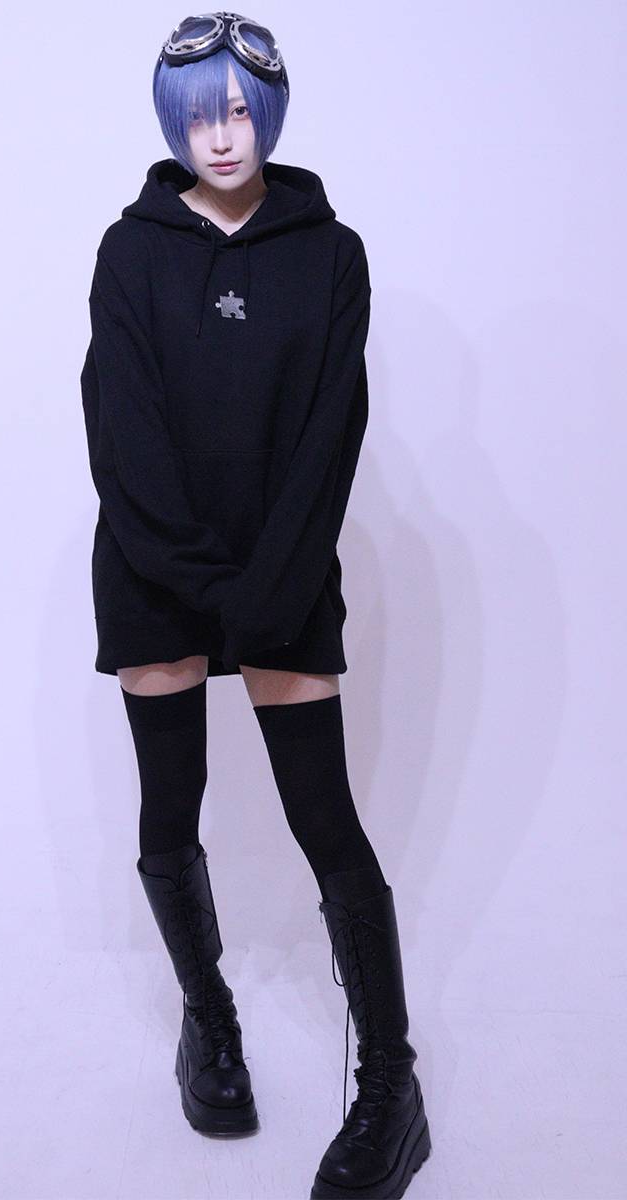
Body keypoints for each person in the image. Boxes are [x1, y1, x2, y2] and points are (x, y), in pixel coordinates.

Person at [79, 12, 431, 1198]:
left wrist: (267, 585)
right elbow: (120, 429)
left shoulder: (329, 254)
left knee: (324, 819)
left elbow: (331, 430)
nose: (219, 136)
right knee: (167, 812)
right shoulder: (127, 252)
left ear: (267, 112)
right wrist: (190, 577)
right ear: (171, 124)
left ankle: (390, 1082)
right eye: (196, 116)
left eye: (236, 109)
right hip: (151, 562)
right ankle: (208, 1020)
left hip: (282, 565)